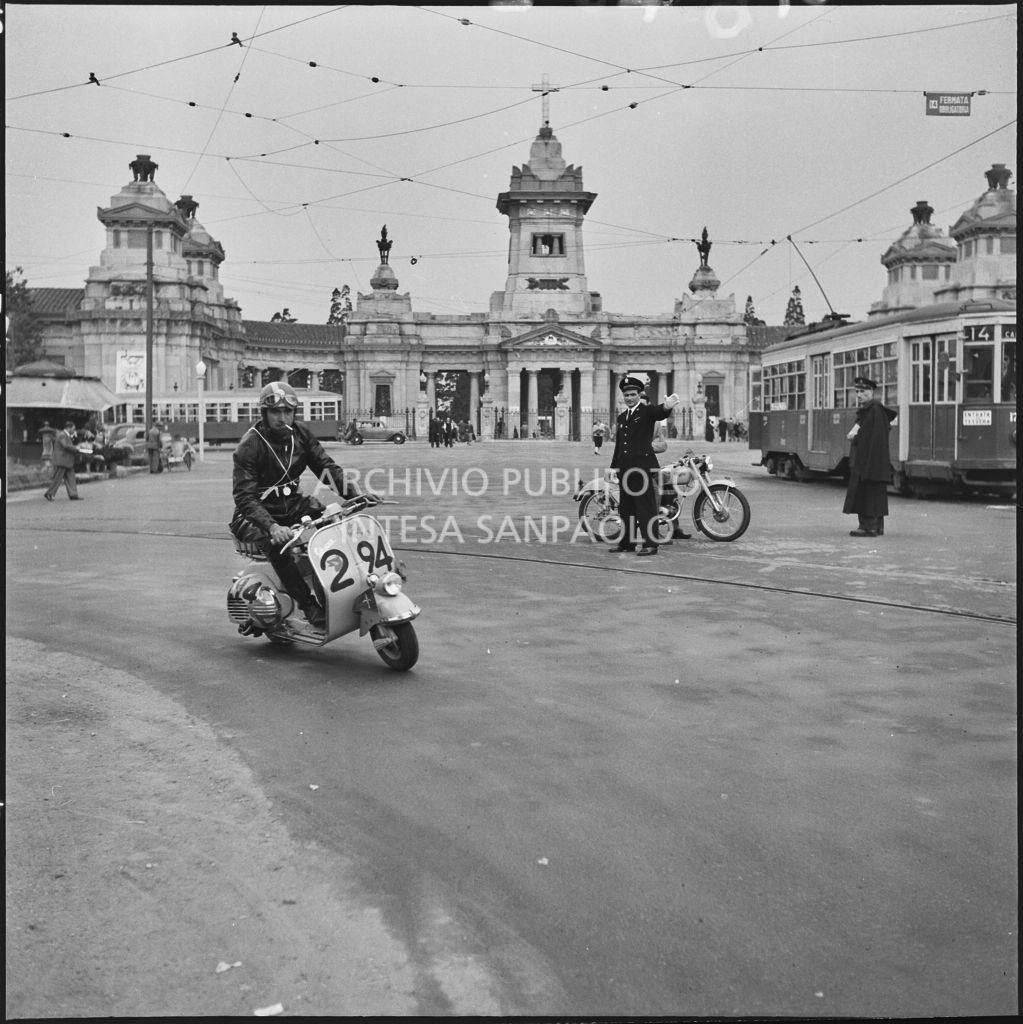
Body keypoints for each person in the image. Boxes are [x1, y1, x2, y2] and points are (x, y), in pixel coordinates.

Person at [230, 381, 359, 628]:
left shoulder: (300, 433)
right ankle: (307, 604)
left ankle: (333, 587)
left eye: (287, 412)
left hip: (292, 504)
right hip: (254, 514)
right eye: (276, 412)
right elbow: (245, 497)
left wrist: (353, 495)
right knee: (278, 545)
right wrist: (272, 527)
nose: (282, 418)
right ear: (264, 413)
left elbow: (325, 467)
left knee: (332, 520)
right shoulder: (250, 445)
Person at [608, 376, 680, 556]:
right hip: (626, 469)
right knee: (626, 510)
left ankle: (651, 544)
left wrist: (667, 407)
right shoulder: (622, 416)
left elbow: (659, 412)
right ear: (623, 396)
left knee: (645, 508)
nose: (630, 398)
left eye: (633, 394)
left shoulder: (646, 412)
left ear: (639, 394)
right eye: (626, 395)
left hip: (642, 469)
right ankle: (627, 543)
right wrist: (614, 468)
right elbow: (620, 445)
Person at [842, 376, 897, 538]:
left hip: (868, 461)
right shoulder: (874, 410)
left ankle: (867, 527)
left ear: (871, 392)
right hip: (875, 462)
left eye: (863, 391)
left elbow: (869, 437)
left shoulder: (873, 410)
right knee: (875, 494)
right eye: (857, 391)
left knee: (866, 492)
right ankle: (876, 526)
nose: (859, 394)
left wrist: (855, 437)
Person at [43, 421, 83, 502]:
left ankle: (73, 494)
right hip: (62, 460)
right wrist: (76, 449)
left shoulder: (65, 435)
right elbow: (65, 446)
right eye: (73, 428)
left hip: (67, 461)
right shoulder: (62, 435)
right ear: (68, 428)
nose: (74, 430)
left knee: (71, 478)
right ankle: (49, 493)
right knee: (58, 478)